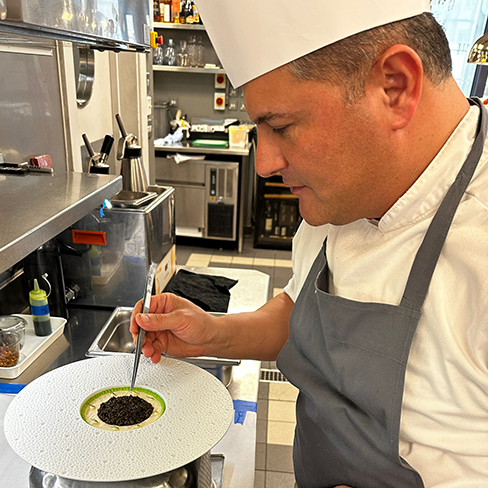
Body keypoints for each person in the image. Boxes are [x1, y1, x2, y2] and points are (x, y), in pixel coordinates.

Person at [131, 1, 488, 486]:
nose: (263, 163)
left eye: (280, 127)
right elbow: (302, 312)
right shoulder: (339, 195)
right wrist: (214, 333)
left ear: (395, 87)